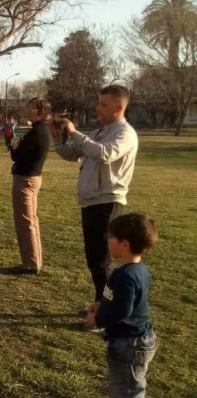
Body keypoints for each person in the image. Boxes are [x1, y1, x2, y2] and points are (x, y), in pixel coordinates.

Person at [51, 85, 138, 310]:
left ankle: (108, 309)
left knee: (102, 260)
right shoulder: (99, 131)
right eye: (98, 102)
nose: (97, 108)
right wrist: (57, 138)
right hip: (91, 201)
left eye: (103, 104)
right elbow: (72, 154)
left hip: (107, 202)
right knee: (95, 259)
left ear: (119, 107)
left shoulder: (124, 133)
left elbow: (104, 154)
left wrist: (74, 132)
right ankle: (102, 304)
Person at [86, 213, 158, 398]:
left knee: (127, 391)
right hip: (137, 339)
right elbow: (122, 300)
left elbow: (123, 310)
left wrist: (97, 320)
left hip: (129, 344)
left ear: (125, 244)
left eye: (111, 237)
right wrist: (100, 304)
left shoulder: (124, 276)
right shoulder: (139, 270)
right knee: (129, 386)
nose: (108, 240)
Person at [9, 98, 52, 274]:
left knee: (25, 222)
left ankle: (30, 264)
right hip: (33, 178)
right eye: (29, 107)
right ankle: (34, 261)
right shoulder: (41, 130)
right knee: (31, 221)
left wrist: (15, 147)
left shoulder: (36, 132)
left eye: (32, 109)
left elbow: (18, 155)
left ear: (42, 112)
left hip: (26, 179)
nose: (28, 111)